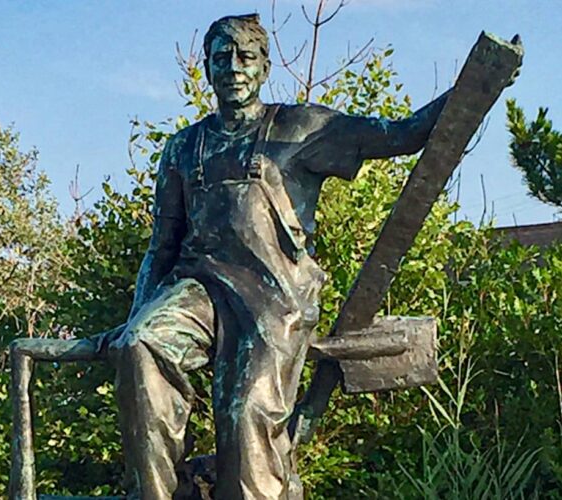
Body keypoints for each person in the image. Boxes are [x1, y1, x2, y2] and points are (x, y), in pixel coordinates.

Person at [108, 13, 449, 500]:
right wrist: (134, 317)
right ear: (206, 67)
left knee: (248, 411)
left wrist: (476, 84)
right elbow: (161, 246)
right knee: (140, 345)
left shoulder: (300, 128)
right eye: (221, 57)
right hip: (198, 289)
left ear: (264, 67)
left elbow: (403, 133)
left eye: (245, 56)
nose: (233, 67)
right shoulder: (185, 148)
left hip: (273, 298)